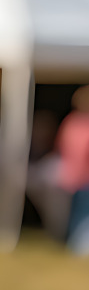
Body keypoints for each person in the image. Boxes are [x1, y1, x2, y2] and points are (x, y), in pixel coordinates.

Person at [57, 86, 89, 254]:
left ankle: (75, 245)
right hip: (83, 177)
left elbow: (61, 147)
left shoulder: (69, 122)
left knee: (76, 213)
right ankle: (81, 248)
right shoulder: (82, 124)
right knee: (84, 215)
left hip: (69, 175)